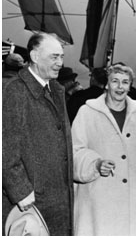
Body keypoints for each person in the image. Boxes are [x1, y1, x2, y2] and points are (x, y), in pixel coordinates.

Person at [2, 32, 74, 236]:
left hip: (56, 197)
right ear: (34, 57)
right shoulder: (14, 90)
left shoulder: (56, 90)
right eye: (54, 57)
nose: (60, 62)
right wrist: (20, 190)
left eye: (61, 56)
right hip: (31, 201)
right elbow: (4, 147)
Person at [71, 63, 136, 235]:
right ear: (106, 84)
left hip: (133, 199)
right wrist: (95, 164)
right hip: (98, 199)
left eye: (125, 82)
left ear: (130, 86)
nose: (120, 87)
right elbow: (73, 152)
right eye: (115, 81)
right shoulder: (86, 113)